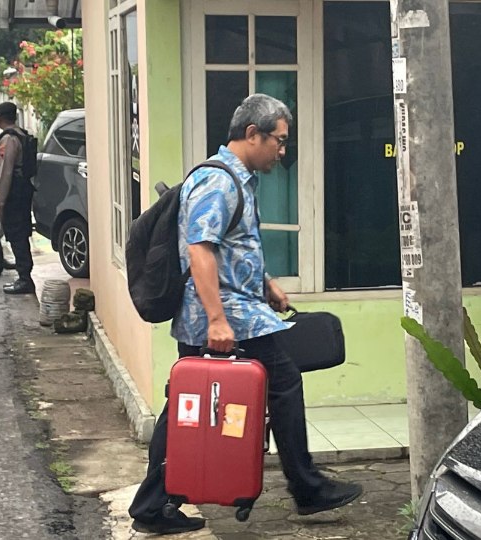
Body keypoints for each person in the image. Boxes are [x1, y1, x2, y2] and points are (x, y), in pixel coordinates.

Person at [128, 94, 363, 535]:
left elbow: (230, 248)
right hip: (226, 319)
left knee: (186, 406)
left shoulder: (235, 180)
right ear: (252, 134)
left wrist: (265, 282)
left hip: (232, 312)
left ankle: (153, 504)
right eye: (279, 140)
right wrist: (217, 320)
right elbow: (199, 250)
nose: (282, 150)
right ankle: (306, 486)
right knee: (280, 382)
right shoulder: (218, 183)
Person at [0, 102, 35, 295]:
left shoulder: (9, 140)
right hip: (24, 191)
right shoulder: (22, 135)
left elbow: (5, 172)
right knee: (21, 233)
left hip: (13, 193)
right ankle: (24, 276)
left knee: (16, 235)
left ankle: (25, 279)